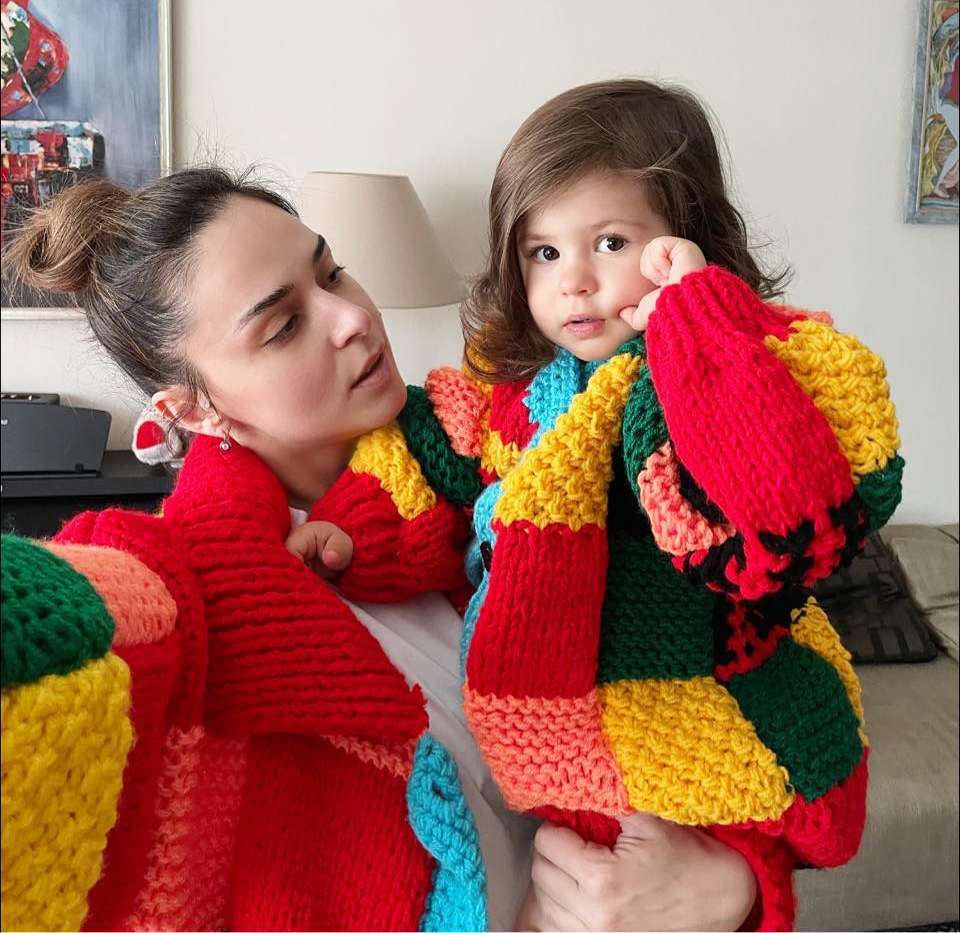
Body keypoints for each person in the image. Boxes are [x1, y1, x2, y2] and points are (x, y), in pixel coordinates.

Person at [2, 166, 761, 931]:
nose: (352, 317)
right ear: (194, 410)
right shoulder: (198, 605)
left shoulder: (507, 453)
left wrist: (733, 883)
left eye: (332, 272)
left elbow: (742, 660)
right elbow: (78, 617)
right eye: (284, 325)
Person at [295, 80, 903, 931]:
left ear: (690, 240)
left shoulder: (719, 372)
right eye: (543, 252)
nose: (574, 282)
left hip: (708, 719)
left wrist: (699, 323)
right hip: (563, 757)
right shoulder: (512, 397)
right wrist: (348, 531)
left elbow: (780, 507)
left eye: (610, 242)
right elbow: (425, 463)